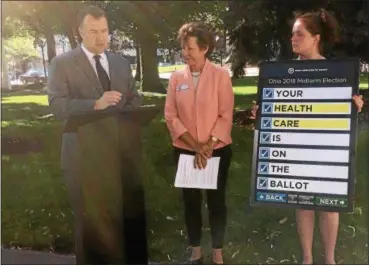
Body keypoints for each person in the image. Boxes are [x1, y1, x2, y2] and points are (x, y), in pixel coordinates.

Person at [251, 8, 364, 265]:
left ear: (316, 38)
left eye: (299, 34)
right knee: (302, 204)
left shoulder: (338, 73)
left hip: (326, 149)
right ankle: (307, 259)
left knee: (329, 204)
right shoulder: (282, 75)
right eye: (292, 34)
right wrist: (261, 112)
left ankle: (330, 260)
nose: (293, 39)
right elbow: (273, 112)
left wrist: (354, 106)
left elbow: (342, 111)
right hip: (295, 149)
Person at [47, 5, 147, 264]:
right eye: (93, 32)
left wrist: (136, 107)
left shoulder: (120, 62)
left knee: (126, 224)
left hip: (120, 158)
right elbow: (57, 105)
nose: (100, 37)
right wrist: (95, 104)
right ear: (80, 32)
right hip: (83, 160)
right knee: (90, 227)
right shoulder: (62, 64)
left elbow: (133, 97)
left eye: (104, 31)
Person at [164, 22, 234, 265]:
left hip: (217, 150)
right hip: (185, 151)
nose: (186, 52)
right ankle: (196, 250)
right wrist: (195, 146)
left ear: (204, 49)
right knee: (191, 202)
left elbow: (226, 114)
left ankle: (217, 250)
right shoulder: (176, 78)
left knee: (216, 202)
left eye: (190, 48)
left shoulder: (220, 76)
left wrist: (208, 145)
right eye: (184, 47)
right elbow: (170, 116)